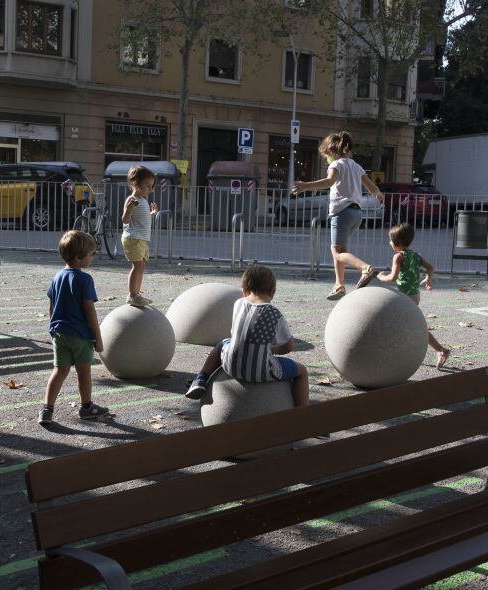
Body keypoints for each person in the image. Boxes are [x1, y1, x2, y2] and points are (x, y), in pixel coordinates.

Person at [185, 265, 310, 407]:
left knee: (222, 344)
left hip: (230, 365)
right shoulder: (274, 313)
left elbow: (238, 337)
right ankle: (303, 412)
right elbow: (289, 346)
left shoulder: (238, 303)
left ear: (244, 291)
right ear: (272, 291)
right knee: (302, 372)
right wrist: (273, 350)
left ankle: (201, 379)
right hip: (261, 372)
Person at [291, 131, 384, 301]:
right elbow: (371, 187)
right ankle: (339, 286)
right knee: (340, 250)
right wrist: (378, 194)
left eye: (326, 155)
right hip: (356, 213)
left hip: (341, 212)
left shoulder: (337, 165)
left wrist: (305, 186)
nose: (326, 158)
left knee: (337, 252)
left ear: (331, 152)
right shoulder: (356, 166)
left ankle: (365, 268)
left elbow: (329, 182)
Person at [38, 230, 108, 425]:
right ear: (79, 258)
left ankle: (47, 409)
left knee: (59, 371)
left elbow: (51, 305)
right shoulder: (84, 279)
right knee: (83, 372)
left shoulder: (57, 276)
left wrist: (53, 328)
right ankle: (86, 407)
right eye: (91, 254)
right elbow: (89, 310)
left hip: (60, 332)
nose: (92, 257)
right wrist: (98, 337)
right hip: (80, 334)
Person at [373, 222, 451, 368]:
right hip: (414, 296)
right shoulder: (416, 255)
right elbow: (431, 268)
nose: (389, 242)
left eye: (391, 240)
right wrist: (428, 278)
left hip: (405, 298)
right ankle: (439, 350)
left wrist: (380, 277)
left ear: (398, 243)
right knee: (406, 325)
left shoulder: (398, 257)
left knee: (412, 327)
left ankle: (441, 350)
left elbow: (392, 278)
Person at [120, 165, 158, 307]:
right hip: (133, 238)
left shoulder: (142, 200)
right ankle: (133, 295)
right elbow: (125, 219)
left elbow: (140, 218)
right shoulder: (132, 199)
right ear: (135, 183)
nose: (149, 189)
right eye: (147, 186)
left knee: (141, 266)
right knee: (137, 266)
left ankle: (136, 293)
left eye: (151, 186)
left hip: (140, 239)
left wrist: (151, 214)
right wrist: (129, 209)